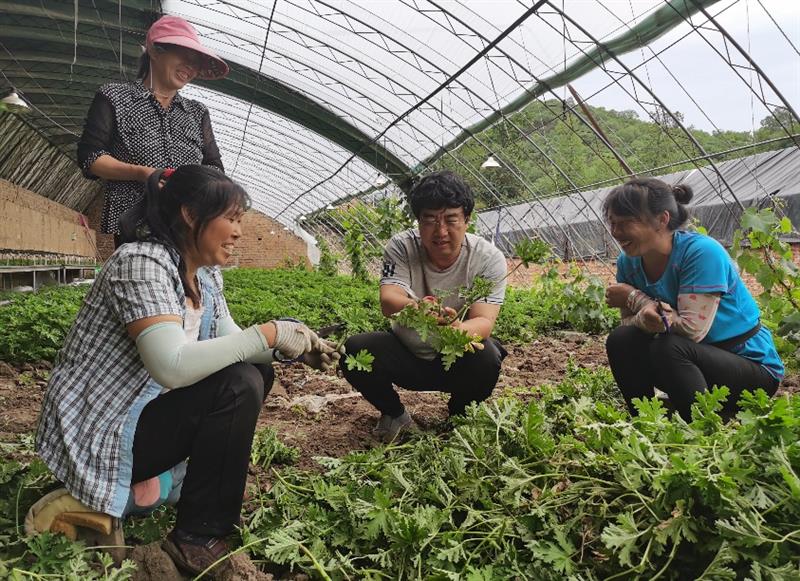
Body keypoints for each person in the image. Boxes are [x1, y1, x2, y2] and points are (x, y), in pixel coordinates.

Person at [33, 165, 340, 577]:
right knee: (237, 383)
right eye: (230, 219)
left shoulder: (205, 275)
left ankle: (161, 487)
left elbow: (232, 339)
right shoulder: (142, 263)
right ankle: (196, 536)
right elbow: (171, 367)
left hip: (143, 417)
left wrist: (294, 349)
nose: (238, 232)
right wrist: (269, 333)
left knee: (254, 372)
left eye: (241, 221)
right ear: (191, 215)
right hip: (102, 429)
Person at [341, 171, 508, 442]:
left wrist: (455, 330)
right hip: (406, 355)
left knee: (486, 356)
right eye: (430, 220)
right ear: (418, 221)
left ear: (466, 220)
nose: (440, 231)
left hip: (455, 360)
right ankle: (396, 415)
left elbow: (484, 322)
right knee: (355, 351)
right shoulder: (402, 246)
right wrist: (420, 309)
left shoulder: (488, 259)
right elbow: (389, 301)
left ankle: (458, 418)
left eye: (451, 220)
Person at [603, 177, 783, 421]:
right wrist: (645, 311)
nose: (616, 232)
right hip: (692, 365)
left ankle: (702, 424)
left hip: (750, 369)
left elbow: (692, 330)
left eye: (626, 223)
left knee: (668, 345)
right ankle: (646, 420)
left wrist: (636, 299)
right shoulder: (628, 261)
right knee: (621, 340)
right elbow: (628, 324)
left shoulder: (701, 252)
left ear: (662, 219)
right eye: (612, 223)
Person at [78, 15, 229, 247]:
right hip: (135, 226)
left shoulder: (197, 112)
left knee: (187, 283)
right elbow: (91, 158)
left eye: (195, 62)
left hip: (187, 225)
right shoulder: (115, 97)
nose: (190, 67)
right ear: (155, 50)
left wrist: (188, 183)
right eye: (184, 55)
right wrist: (144, 173)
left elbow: (215, 167)